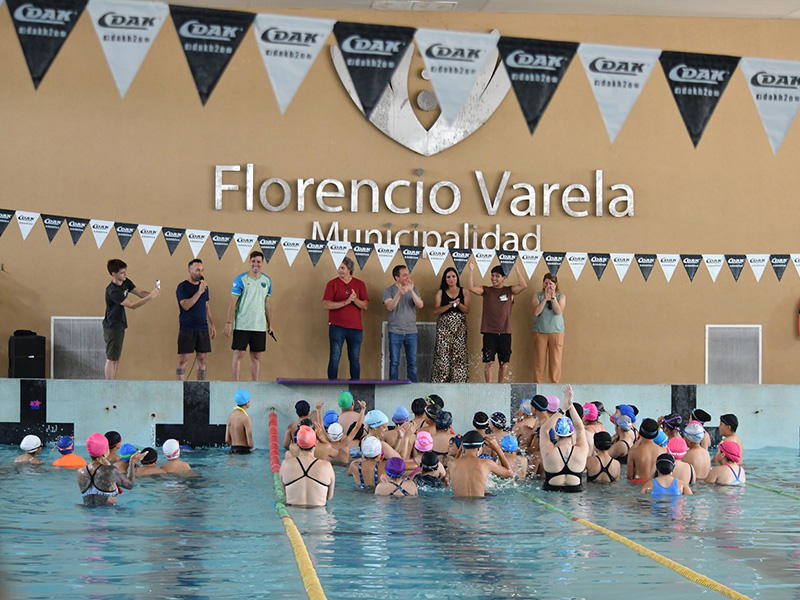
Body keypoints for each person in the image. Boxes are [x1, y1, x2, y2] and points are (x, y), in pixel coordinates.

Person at [467, 259, 528, 383]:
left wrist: (516, 269)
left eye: (497, 276)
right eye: (492, 275)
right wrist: (471, 271)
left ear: (504, 277)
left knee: (503, 362)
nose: (493, 278)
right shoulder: (486, 290)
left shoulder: (509, 291)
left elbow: (523, 286)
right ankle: (489, 386)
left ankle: (501, 385)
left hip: (505, 332)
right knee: (489, 362)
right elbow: (471, 287)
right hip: (489, 332)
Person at [103, 258, 160, 380]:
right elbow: (132, 305)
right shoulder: (113, 290)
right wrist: (150, 297)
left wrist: (153, 293)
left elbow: (140, 292)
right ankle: (109, 384)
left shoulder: (125, 282)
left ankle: (112, 381)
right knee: (111, 358)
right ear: (114, 274)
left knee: (116, 358)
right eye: (122, 273)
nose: (125, 274)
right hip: (112, 326)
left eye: (125, 271)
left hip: (120, 325)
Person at [224, 251, 273, 382]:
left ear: (262, 263)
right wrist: (229, 323)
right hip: (242, 324)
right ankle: (235, 383)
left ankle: (255, 384)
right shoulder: (240, 279)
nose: (256, 264)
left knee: (256, 356)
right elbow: (232, 302)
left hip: (259, 325)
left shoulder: (267, 281)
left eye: (258, 262)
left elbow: (267, 303)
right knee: (239, 354)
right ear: (249, 262)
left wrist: (270, 324)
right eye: (253, 261)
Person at [323, 257, 369, 380]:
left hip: (356, 328)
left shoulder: (359, 284)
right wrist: (345, 302)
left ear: (349, 269)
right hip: (337, 326)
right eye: (338, 268)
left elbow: (365, 306)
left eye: (342, 268)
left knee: (355, 358)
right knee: (335, 356)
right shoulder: (332, 284)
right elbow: (326, 305)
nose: (340, 270)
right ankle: (332, 384)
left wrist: (354, 300)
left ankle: (355, 384)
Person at [540, 385, 588, 492]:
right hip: (576, 493)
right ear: (572, 433)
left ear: (556, 434)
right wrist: (570, 405)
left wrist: (563, 409)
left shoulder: (548, 450)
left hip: (551, 492)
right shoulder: (581, 450)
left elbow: (544, 429)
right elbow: (580, 428)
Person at [176, 259, 216, 381]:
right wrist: (199, 292)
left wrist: (212, 324)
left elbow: (206, 305)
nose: (200, 273)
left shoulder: (204, 287)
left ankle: (200, 385)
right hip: (187, 328)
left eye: (202, 270)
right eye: (197, 270)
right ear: (189, 270)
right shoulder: (182, 287)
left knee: (202, 358)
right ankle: (180, 385)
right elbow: (185, 305)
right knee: (183, 359)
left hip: (202, 327)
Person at [77, 432, 144, 506]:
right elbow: (130, 485)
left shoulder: (80, 471)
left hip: (87, 511)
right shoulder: (111, 471)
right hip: (109, 512)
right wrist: (132, 462)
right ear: (104, 452)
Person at [383, 264, 424, 382]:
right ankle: (393, 387)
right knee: (394, 362)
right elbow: (390, 307)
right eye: (404, 275)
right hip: (395, 331)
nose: (408, 277)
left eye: (408, 274)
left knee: (412, 362)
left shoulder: (413, 289)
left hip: (411, 331)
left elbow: (420, 305)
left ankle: (413, 387)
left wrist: (411, 291)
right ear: (397, 277)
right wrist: (399, 294)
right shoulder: (388, 290)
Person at [431, 267, 470, 383]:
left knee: (459, 354)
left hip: (459, 327)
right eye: (448, 277)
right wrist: (449, 305)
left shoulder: (464, 291)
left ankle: (459, 381)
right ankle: (440, 382)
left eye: (453, 276)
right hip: (444, 327)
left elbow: (467, 310)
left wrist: (458, 304)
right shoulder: (440, 292)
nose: (451, 279)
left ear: (457, 278)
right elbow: (436, 310)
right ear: (445, 279)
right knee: (442, 354)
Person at [280, 425, 335, 506]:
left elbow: (285, 492)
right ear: (315, 444)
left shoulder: (286, 464)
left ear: (297, 444)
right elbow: (329, 497)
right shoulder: (326, 466)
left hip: (293, 511)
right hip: (319, 512)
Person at [448, 430, 512, 497]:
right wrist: (497, 448)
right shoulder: (486, 463)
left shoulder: (451, 464)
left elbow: (457, 460)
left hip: (458, 502)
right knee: (488, 493)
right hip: (479, 502)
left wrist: (461, 447)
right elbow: (509, 473)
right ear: (479, 449)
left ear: (463, 447)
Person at [531, 273, 566, 383]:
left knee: (555, 363)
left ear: (555, 284)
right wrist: (545, 299)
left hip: (556, 332)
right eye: (546, 283)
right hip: (540, 332)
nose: (548, 286)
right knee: (539, 363)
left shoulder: (561, 297)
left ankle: (554, 387)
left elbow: (558, 311)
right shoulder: (537, 296)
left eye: (551, 284)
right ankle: (539, 386)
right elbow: (536, 312)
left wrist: (553, 298)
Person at [225, 389, 254, 454]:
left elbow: (227, 440)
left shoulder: (231, 416)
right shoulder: (246, 418)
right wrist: (252, 447)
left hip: (232, 451)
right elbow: (250, 443)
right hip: (244, 451)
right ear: (247, 403)